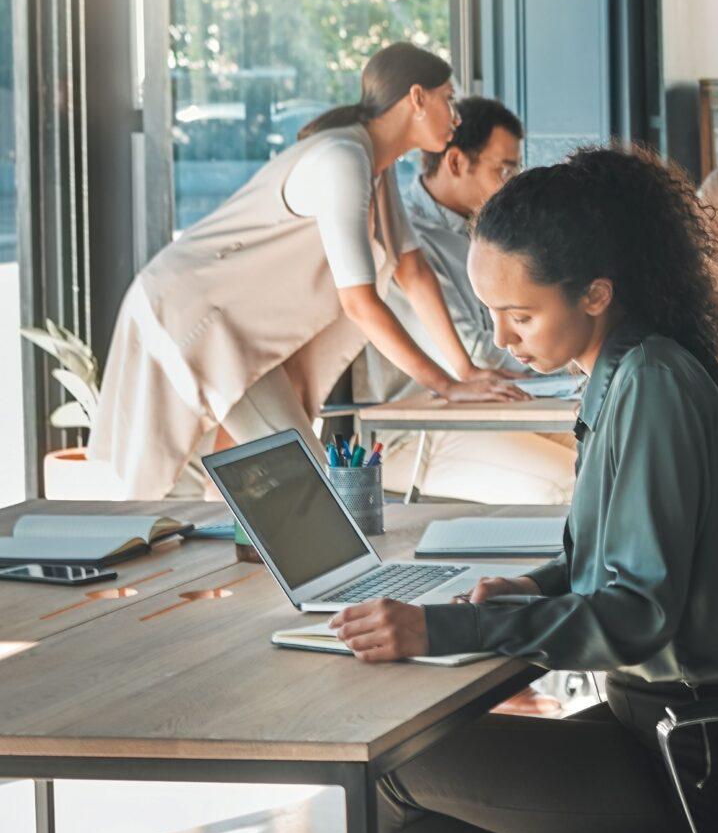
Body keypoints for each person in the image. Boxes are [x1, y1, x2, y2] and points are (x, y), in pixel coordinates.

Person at [242, 146, 718, 833]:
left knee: (382, 766)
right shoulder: (628, 368)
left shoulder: (654, 386)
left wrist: (442, 633)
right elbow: (619, 564)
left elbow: (636, 611)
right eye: (490, 311)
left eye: (519, 314)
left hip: (714, 761)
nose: (500, 340)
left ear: (596, 291)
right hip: (675, 737)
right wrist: (529, 587)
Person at [92, 43, 519, 498]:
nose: (455, 116)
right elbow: (359, 303)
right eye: (447, 98)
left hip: (236, 331)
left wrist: (464, 371)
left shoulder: (376, 163)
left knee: (252, 488)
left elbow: (411, 269)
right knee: (299, 486)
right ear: (416, 98)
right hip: (195, 317)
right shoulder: (341, 158)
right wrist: (445, 385)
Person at [370, 96, 579, 504]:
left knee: (616, 457)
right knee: (570, 485)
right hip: (424, 427)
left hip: (495, 404)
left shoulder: (483, 231)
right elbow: (475, 355)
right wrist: (568, 356)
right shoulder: (412, 242)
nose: (512, 182)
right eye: (503, 170)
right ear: (455, 163)